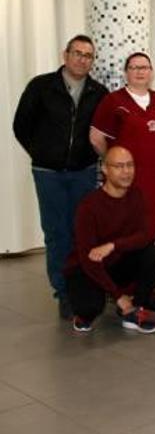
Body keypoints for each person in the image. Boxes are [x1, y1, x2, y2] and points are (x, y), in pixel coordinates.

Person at [13, 34, 109, 319]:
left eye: (88, 55)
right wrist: (42, 153)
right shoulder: (41, 87)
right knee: (56, 233)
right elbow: (21, 125)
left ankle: (84, 285)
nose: (82, 59)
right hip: (48, 173)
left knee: (82, 232)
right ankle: (63, 292)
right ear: (64, 55)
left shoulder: (98, 91)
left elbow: (102, 131)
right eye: (77, 53)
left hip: (83, 172)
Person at [64, 146, 155, 334]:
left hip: (115, 261)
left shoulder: (136, 196)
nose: (126, 172)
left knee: (153, 254)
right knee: (90, 309)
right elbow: (87, 258)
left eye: (130, 165)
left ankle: (134, 309)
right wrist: (118, 296)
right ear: (105, 170)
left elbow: (144, 236)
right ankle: (88, 311)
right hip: (86, 268)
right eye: (119, 166)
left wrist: (113, 245)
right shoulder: (89, 206)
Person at [90, 52, 155, 239]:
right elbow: (96, 138)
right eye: (134, 68)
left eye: (144, 67)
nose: (139, 72)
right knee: (127, 227)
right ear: (126, 73)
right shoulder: (113, 101)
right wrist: (113, 163)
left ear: (151, 72)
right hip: (127, 179)